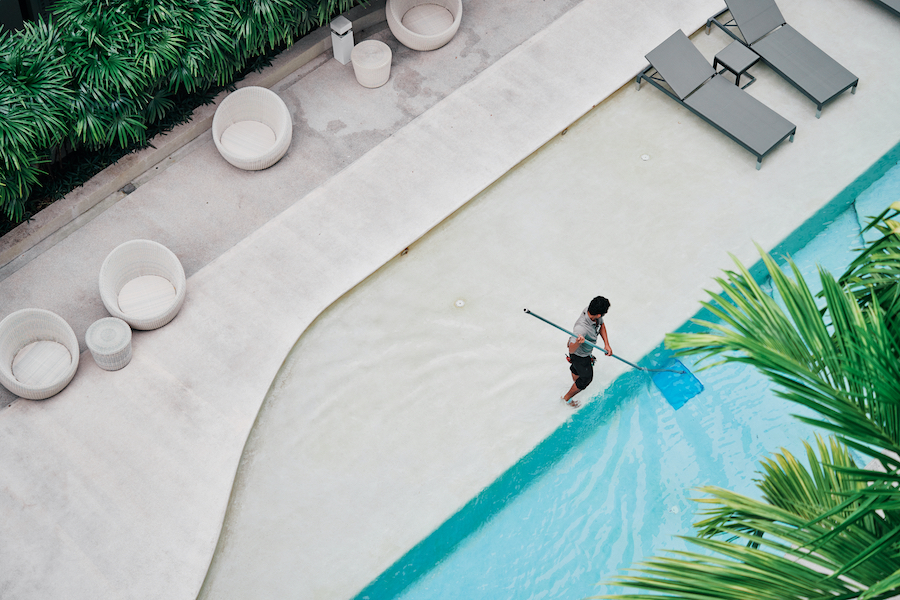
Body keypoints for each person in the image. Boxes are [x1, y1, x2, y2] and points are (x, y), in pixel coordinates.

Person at [562, 296, 611, 408]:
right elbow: (571, 349)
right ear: (599, 314)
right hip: (579, 355)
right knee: (586, 378)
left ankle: (575, 378)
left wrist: (606, 344)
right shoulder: (581, 329)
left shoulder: (592, 313)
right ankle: (567, 398)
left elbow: (601, 325)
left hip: (583, 352)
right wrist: (579, 342)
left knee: (577, 370)